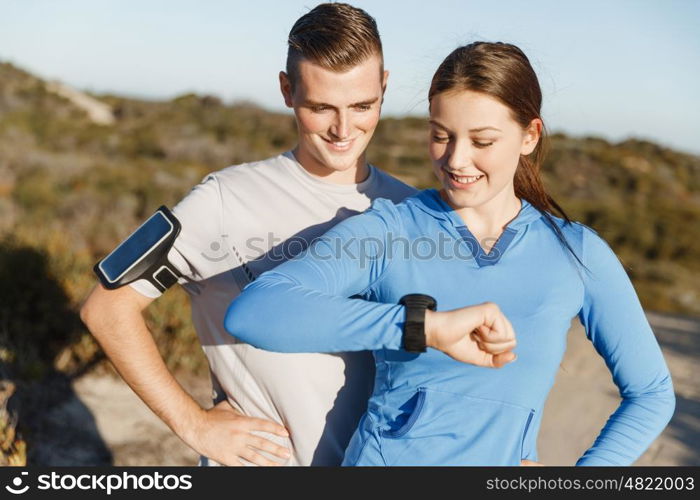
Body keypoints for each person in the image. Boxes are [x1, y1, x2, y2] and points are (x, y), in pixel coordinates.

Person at [225, 41, 677, 466]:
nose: (456, 160)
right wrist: (423, 327)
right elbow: (255, 312)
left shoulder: (576, 252)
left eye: (482, 141)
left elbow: (652, 392)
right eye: (442, 136)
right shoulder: (392, 229)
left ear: (529, 136)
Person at [80, 3, 424, 466]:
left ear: (384, 85)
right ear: (286, 90)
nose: (344, 129)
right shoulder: (222, 200)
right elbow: (107, 308)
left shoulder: (412, 211)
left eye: (363, 105)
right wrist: (194, 424)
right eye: (321, 107)